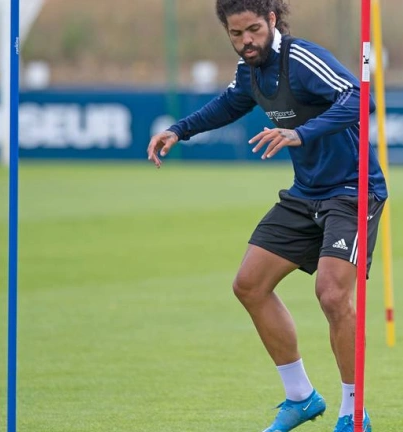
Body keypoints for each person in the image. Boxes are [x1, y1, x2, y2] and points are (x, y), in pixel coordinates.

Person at [146, 1, 387, 431]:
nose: (246, 41)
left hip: (353, 190)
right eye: (236, 34)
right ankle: (300, 397)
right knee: (249, 285)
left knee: (332, 295)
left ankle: (353, 413)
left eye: (254, 30)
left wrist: (301, 133)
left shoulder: (302, 58)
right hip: (306, 193)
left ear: (272, 20)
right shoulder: (250, 71)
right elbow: (230, 104)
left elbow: (360, 97)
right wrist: (180, 129)